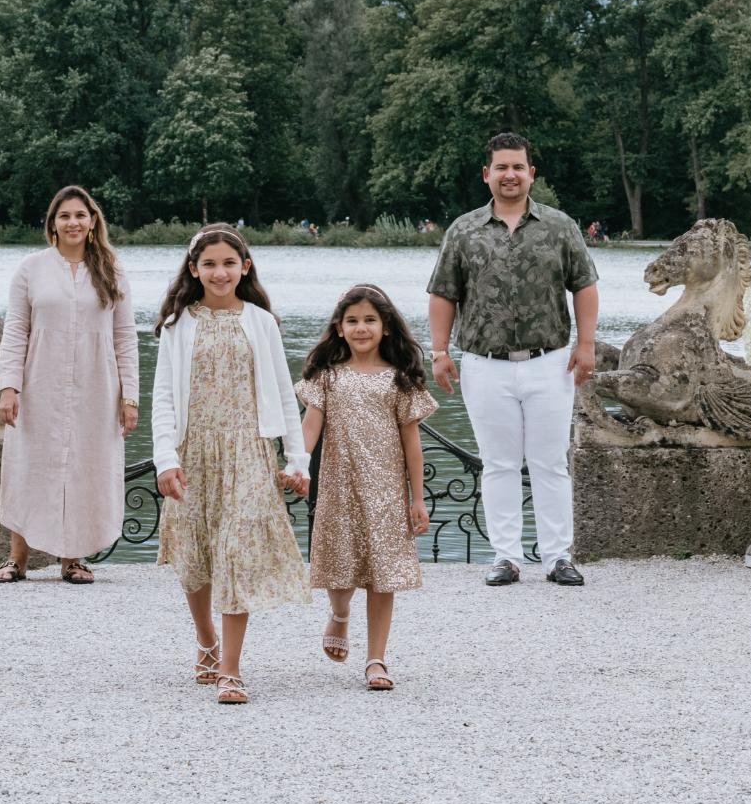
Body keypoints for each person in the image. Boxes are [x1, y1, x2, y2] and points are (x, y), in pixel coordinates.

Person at [426, 132, 598, 587]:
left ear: (531, 174)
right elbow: (443, 293)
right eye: (501, 167)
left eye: (518, 167)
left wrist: (587, 346)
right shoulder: (463, 231)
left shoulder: (560, 227)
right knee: (498, 463)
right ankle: (506, 557)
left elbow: (584, 285)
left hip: (550, 361)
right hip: (484, 364)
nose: (510, 175)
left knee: (550, 462)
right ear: (487, 175)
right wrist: (439, 351)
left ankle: (558, 556)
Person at [150, 224, 309, 704]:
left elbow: (284, 395)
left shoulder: (262, 322)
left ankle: (231, 670)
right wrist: (165, 459)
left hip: (248, 452)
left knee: (237, 554)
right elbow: (163, 397)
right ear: (194, 270)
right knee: (196, 558)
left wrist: (296, 458)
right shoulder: (178, 326)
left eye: (228, 263)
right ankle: (206, 642)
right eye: (209, 264)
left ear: (245, 267)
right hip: (194, 451)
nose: (220, 272)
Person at [0, 186, 138, 585]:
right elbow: (15, 331)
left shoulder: (111, 271)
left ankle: (72, 559)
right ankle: (16, 558)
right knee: (28, 463)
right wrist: (10, 387)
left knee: (86, 466)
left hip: (97, 384)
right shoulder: (31, 269)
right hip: (40, 382)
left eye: (80, 215)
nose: (73, 222)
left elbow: (125, 337)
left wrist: (130, 398)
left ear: (92, 222)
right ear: (52, 224)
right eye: (64, 216)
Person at [296, 284, 434, 691]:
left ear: (386, 327)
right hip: (339, 487)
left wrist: (417, 499)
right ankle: (339, 613)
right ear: (339, 329)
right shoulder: (326, 378)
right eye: (352, 321)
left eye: (370, 320)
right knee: (339, 569)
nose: (361, 328)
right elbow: (309, 429)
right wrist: (296, 467)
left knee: (381, 575)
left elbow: (412, 445)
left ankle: (376, 659)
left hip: (386, 492)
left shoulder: (400, 381)